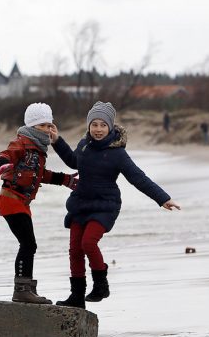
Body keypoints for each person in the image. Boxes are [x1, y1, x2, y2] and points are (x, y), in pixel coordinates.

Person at [52, 101, 180, 308]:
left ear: (110, 126)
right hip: (80, 203)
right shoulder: (84, 145)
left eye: (103, 125)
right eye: (94, 124)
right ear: (89, 126)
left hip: (105, 205)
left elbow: (138, 178)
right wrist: (57, 141)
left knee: (88, 243)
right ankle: (77, 297)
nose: (98, 129)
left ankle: (101, 285)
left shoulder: (117, 153)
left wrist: (162, 198)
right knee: (75, 250)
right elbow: (73, 161)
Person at [0, 103, 77, 304]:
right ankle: (22, 290)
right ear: (32, 126)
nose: (47, 129)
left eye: (50, 125)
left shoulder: (39, 150)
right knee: (28, 244)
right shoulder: (22, 143)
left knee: (29, 244)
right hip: (10, 200)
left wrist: (67, 180)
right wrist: (3, 165)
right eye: (42, 125)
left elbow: (42, 175)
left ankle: (27, 288)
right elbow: (6, 154)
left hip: (21, 203)